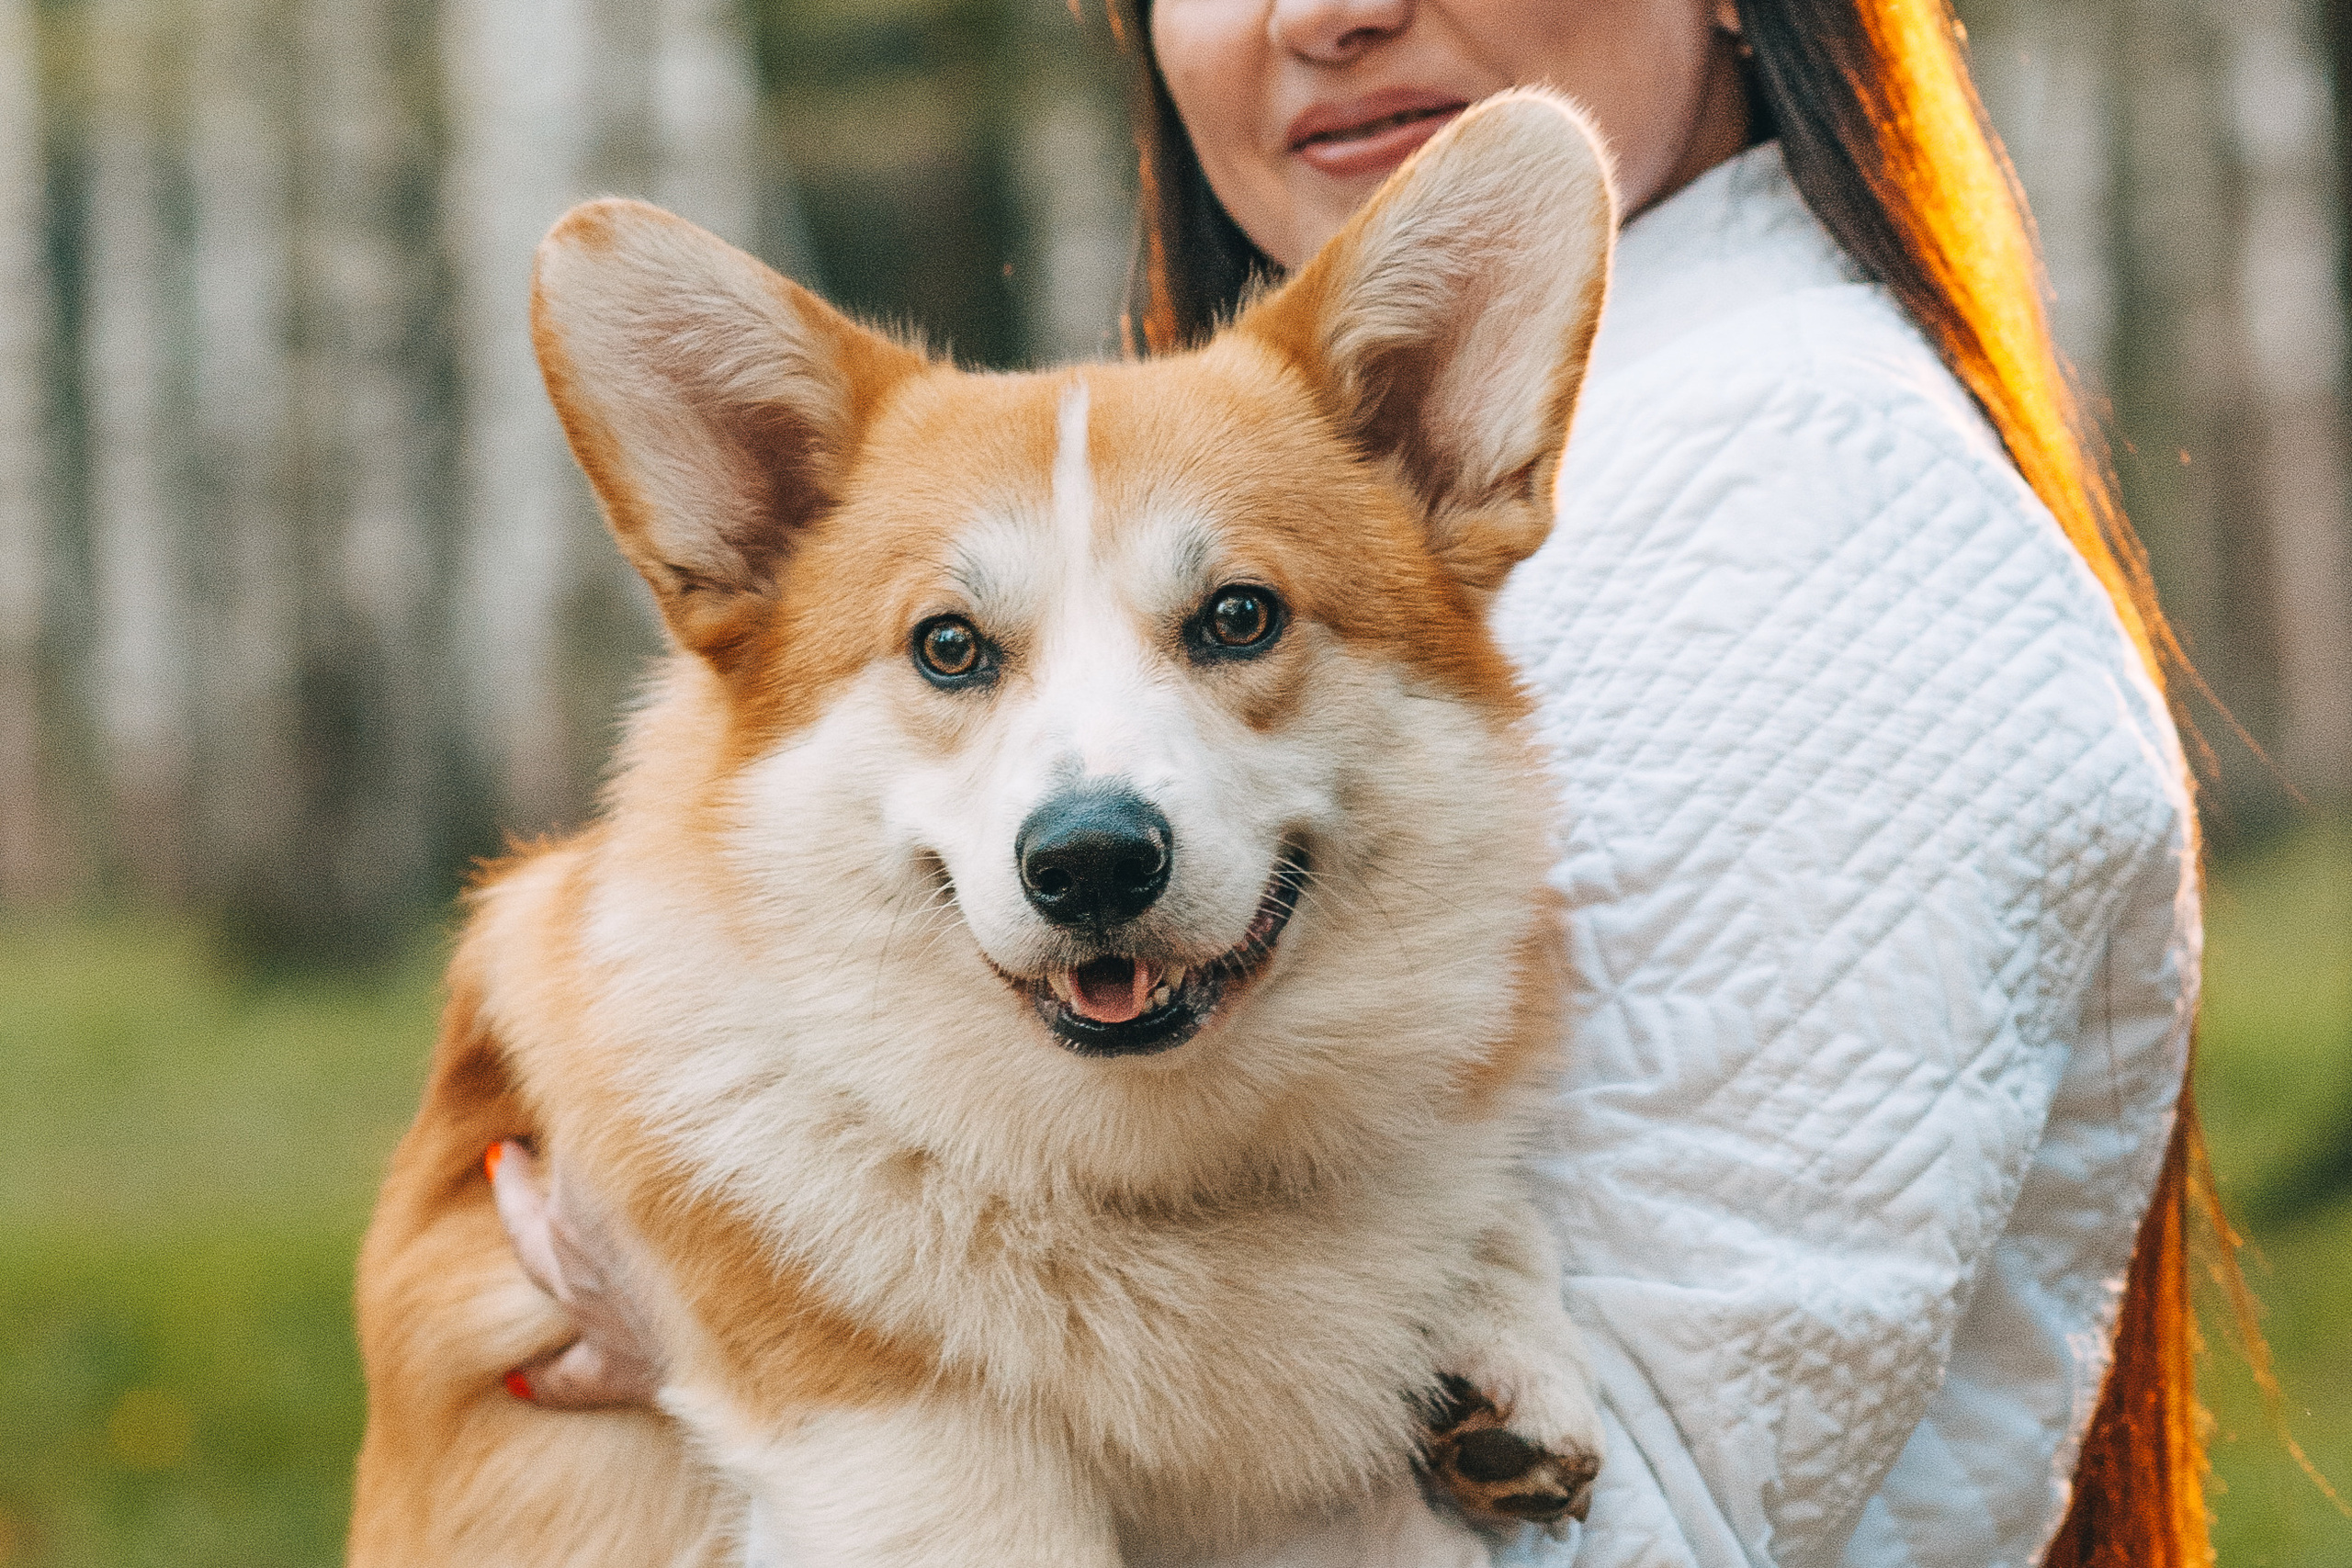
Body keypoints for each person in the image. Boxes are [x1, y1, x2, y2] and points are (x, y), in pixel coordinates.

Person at [491, 2, 2209, 1563]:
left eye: (1233, 621)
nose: (1324, 12)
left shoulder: (1815, 502)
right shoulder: (1300, 446)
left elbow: (1650, 1519)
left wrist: (751, 1340)